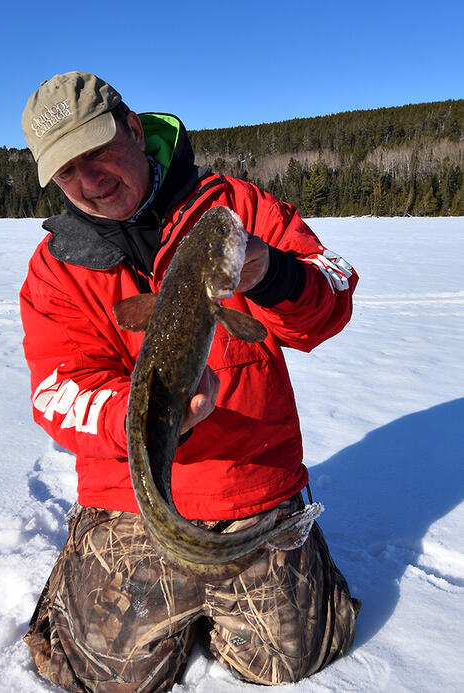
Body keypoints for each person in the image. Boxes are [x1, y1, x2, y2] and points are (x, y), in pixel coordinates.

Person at [19, 71, 360, 692]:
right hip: (133, 499)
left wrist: (277, 276)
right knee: (104, 680)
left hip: (251, 484)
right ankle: (76, 586)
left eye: (98, 153)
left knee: (292, 663)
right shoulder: (55, 271)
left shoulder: (236, 210)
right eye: (68, 171)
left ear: (131, 128)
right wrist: (140, 415)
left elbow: (334, 293)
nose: (90, 181)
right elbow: (57, 390)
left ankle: (294, 572)